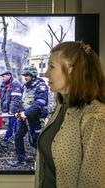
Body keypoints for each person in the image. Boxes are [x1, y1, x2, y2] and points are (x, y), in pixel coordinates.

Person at [35, 41, 105, 188]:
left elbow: (93, 182)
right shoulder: (62, 107)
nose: (46, 73)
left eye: (51, 67)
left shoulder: (95, 117)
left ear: (73, 70)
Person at [9, 65, 48, 166]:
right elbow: (22, 102)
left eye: (27, 75)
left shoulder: (41, 86)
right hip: (22, 118)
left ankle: (43, 161)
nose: (25, 77)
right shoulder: (25, 86)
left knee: (35, 141)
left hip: (34, 118)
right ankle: (21, 160)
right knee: (17, 136)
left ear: (33, 75)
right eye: (24, 75)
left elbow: (40, 104)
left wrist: (26, 113)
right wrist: (18, 112)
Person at [0, 70, 23, 145]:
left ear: (9, 75)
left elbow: (16, 99)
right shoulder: (3, 84)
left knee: (13, 124)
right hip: (6, 108)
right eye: (2, 77)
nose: (2, 78)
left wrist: (12, 110)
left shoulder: (15, 84)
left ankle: (8, 139)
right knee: (10, 124)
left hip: (15, 109)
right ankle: (10, 138)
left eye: (3, 76)